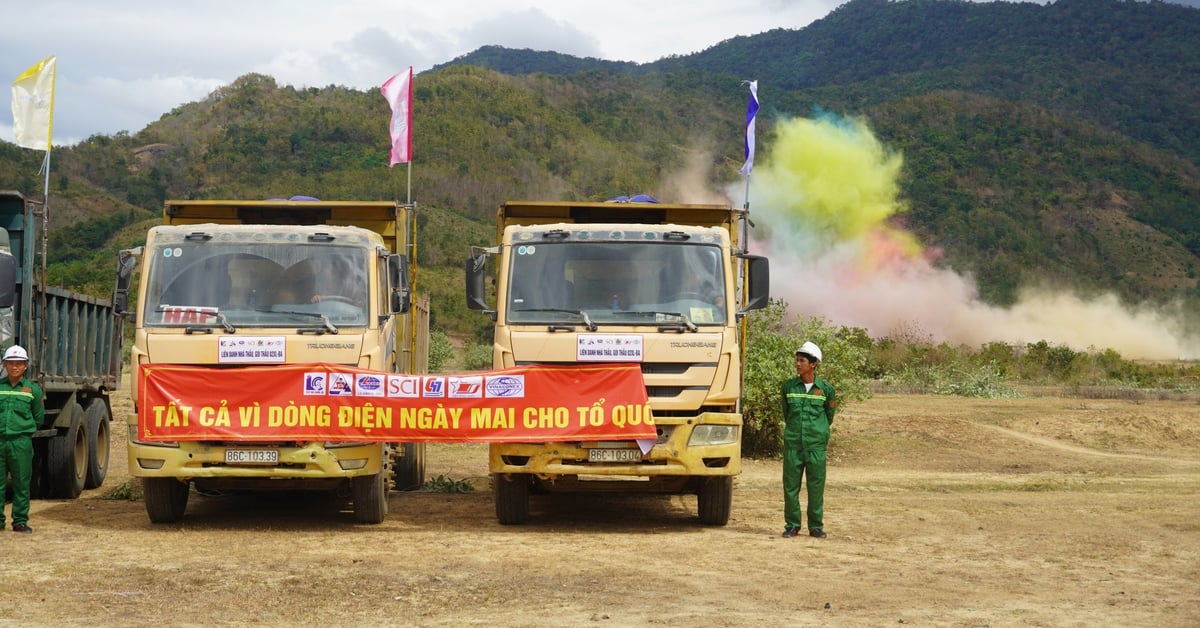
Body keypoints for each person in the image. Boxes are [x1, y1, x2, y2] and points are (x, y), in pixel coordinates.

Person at [780, 341, 837, 539]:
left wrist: (818, 433)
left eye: (802, 361)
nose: (797, 364)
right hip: (793, 445)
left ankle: (815, 527)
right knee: (790, 487)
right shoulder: (788, 387)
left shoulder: (826, 390)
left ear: (813, 364)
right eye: (796, 360)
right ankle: (792, 525)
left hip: (816, 447)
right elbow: (786, 414)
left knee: (816, 487)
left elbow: (829, 415)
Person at [0, 345, 44, 534]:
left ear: (26, 366)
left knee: (21, 483)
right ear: (4, 364)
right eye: (10, 363)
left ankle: (19, 521)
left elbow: (38, 417)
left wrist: (21, 430)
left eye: (19, 363)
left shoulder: (32, 389)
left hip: (21, 443)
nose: (14, 367)